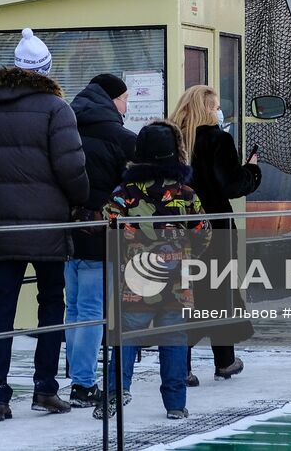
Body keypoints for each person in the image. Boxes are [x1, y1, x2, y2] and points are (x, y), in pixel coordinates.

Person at [0, 29, 90, 421]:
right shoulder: (56, 109)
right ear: (46, 69)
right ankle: (44, 389)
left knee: (1, 309)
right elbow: (72, 169)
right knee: (51, 304)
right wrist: (77, 199)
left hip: (3, 226)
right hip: (49, 227)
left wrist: (1, 193)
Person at [97, 121, 210, 421]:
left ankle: (114, 393)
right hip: (177, 282)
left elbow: (109, 223)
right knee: (173, 339)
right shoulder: (186, 194)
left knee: (128, 336)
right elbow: (203, 231)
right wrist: (186, 256)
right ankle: (175, 404)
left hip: (137, 280)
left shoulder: (125, 193)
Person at [172, 85, 261, 381]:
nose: (218, 112)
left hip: (179, 228)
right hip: (214, 226)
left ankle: (180, 365)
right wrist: (251, 170)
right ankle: (224, 360)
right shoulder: (218, 140)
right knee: (220, 291)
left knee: (186, 293)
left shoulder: (173, 138)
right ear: (206, 109)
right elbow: (230, 185)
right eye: (215, 107)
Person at [64, 74, 137, 408]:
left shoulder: (66, 128)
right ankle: (82, 384)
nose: (126, 106)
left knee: (74, 307)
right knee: (93, 309)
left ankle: (75, 374)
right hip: (103, 231)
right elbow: (131, 190)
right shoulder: (121, 138)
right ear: (112, 99)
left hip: (67, 230)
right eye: (124, 99)